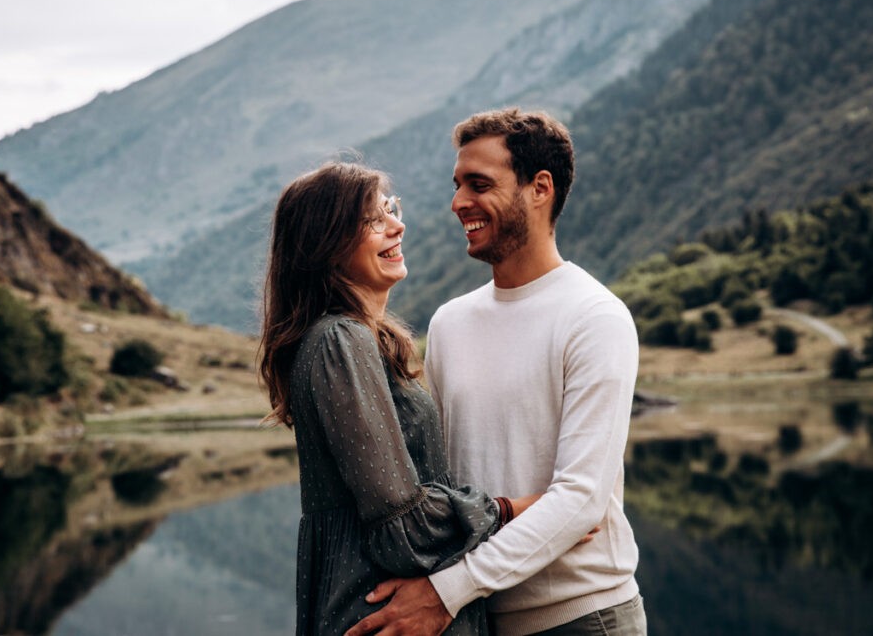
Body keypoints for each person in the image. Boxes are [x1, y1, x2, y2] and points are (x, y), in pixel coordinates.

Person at [345, 108, 646, 636]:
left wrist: (446, 592)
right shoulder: (449, 323)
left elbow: (581, 501)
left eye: (479, 184)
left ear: (540, 188)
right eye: (457, 185)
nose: (459, 202)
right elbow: (437, 481)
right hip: (475, 618)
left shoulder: (595, 317)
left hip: (581, 618)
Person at [259, 161, 547, 635]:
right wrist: (515, 510)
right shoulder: (340, 340)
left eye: (391, 209)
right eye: (372, 220)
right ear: (325, 244)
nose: (397, 225)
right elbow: (405, 528)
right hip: (381, 612)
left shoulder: (352, 340)